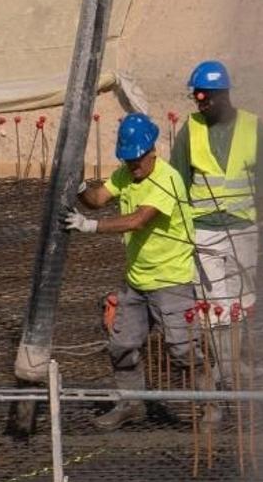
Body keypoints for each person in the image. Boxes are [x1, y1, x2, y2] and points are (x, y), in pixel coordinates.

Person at [65, 113, 210, 429]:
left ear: (151, 151)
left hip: (171, 279)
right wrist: (78, 186)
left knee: (184, 348)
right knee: (122, 345)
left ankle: (211, 407)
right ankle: (131, 404)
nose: (133, 165)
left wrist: (90, 227)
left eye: (137, 159)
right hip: (136, 279)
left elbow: (138, 220)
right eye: (127, 159)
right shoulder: (125, 174)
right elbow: (96, 199)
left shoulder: (167, 179)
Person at [170, 60, 263, 382]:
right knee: (214, 302)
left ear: (222, 94)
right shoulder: (190, 130)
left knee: (242, 298)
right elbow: (177, 183)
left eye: (203, 96)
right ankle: (225, 369)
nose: (199, 102)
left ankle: (235, 361)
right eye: (195, 97)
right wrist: (175, 231)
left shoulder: (254, 128)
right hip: (203, 230)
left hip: (243, 230)